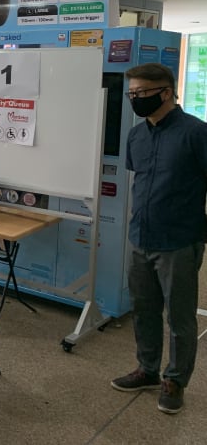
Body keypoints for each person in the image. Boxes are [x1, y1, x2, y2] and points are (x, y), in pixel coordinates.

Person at [110, 63, 207, 415]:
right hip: (141, 237)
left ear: (166, 93)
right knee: (144, 309)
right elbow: (141, 181)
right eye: (131, 94)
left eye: (142, 94)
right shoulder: (136, 135)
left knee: (179, 318)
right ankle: (147, 369)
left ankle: (175, 380)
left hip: (180, 241)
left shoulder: (196, 133)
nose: (135, 99)